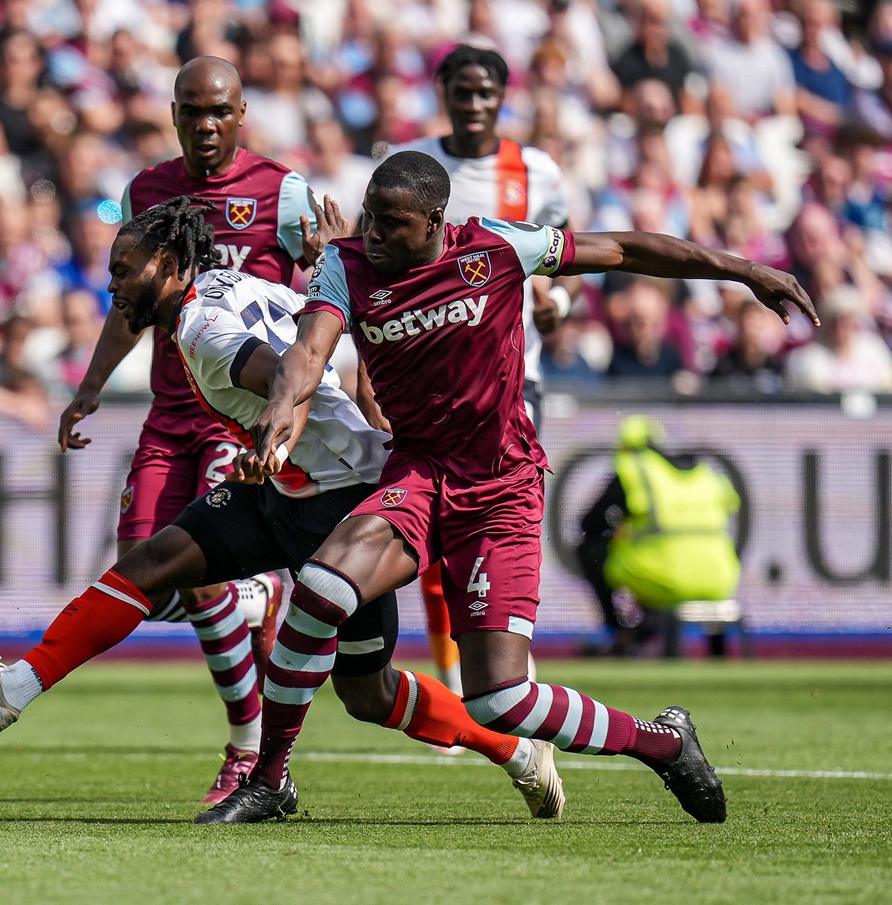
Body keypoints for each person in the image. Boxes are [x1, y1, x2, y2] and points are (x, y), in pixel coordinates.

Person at [199, 150, 818, 825]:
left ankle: (664, 742)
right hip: (420, 473)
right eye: (370, 216)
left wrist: (747, 269)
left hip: (501, 487)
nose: (372, 232)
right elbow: (307, 356)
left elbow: (625, 249)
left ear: (436, 221)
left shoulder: (497, 245)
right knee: (319, 589)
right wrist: (275, 425)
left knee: (500, 701)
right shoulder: (345, 265)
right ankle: (268, 779)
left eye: (391, 223)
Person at [0, 196, 564, 819]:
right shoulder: (234, 283)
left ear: (172, 266)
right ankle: (14, 689)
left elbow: (292, 371)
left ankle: (511, 750)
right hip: (285, 484)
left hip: (338, 501)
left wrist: (282, 436)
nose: (112, 286)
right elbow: (327, 340)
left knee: (368, 692)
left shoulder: (202, 329)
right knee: (153, 562)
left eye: (124, 269)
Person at [54, 56, 320, 804]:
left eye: (218, 113)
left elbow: (330, 294)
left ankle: (247, 748)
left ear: (241, 116)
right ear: (173, 116)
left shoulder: (284, 192)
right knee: (140, 572)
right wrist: (91, 384)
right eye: (190, 112)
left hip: (238, 412)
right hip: (170, 412)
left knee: (198, 570)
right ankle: (259, 608)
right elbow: (130, 300)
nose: (204, 126)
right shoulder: (148, 191)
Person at [385, 45, 575, 698]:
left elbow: (562, 264)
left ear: (502, 94)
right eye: (460, 92)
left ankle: (510, 673)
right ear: (441, 92)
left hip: (516, 378)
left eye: (484, 92)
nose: (472, 104)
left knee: (502, 528)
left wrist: (559, 304)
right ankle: (451, 680)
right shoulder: (412, 167)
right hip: (431, 375)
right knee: (434, 539)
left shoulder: (537, 171)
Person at [577, 416, 741, 658]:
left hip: (665, 578)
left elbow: (588, 523)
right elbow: (732, 505)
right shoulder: (705, 472)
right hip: (721, 580)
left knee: (590, 550)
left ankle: (619, 631)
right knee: (650, 556)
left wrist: (621, 531)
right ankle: (647, 630)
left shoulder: (635, 470)